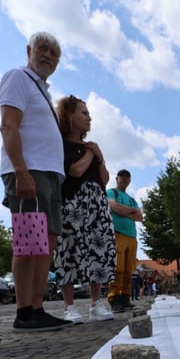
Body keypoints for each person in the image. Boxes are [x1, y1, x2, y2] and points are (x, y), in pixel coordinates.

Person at [0, 31, 72, 332]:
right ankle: (24, 311)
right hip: (31, 170)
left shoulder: (42, 90)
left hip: (49, 174)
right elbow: (8, 125)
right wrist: (21, 171)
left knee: (47, 242)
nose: (48, 56)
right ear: (29, 50)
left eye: (54, 54)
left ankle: (37, 307)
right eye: (43, 49)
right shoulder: (18, 77)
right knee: (30, 242)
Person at [54, 95, 116, 324]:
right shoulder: (61, 144)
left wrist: (100, 158)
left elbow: (104, 179)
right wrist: (91, 153)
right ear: (69, 115)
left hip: (96, 204)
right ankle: (69, 306)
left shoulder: (91, 148)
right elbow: (75, 171)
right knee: (68, 250)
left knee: (97, 251)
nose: (89, 117)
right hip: (73, 204)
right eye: (84, 113)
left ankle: (95, 304)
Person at [107, 169, 142, 312]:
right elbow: (114, 207)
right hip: (118, 234)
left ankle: (125, 298)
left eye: (127, 177)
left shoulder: (131, 199)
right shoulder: (111, 192)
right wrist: (132, 211)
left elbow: (140, 217)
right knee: (118, 268)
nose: (124, 179)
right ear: (117, 178)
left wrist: (123, 210)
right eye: (122, 176)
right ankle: (114, 298)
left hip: (132, 236)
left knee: (128, 270)